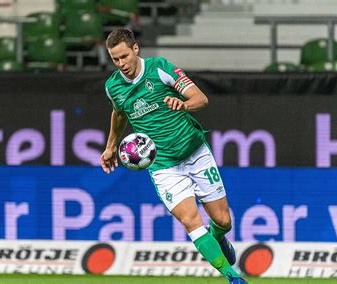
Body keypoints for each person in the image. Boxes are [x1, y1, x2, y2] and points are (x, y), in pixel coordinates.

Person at [100, 28, 248, 284]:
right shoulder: (114, 87)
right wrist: (111, 146)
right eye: (115, 59)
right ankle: (232, 277)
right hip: (163, 166)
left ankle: (219, 236)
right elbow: (119, 113)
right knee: (191, 221)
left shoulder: (160, 68)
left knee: (223, 220)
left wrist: (184, 104)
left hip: (195, 152)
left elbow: (200, 99)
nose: (121, 64)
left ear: (136, 49)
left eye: (124, 56)